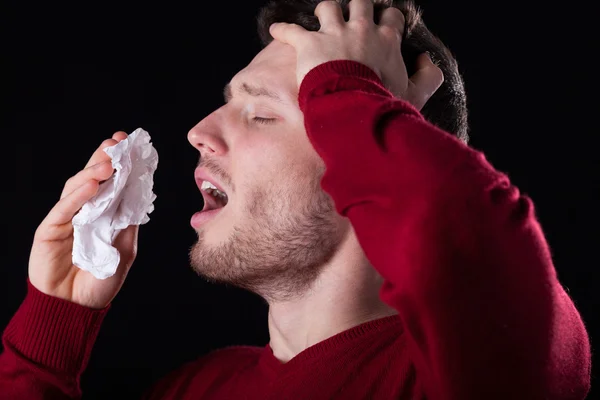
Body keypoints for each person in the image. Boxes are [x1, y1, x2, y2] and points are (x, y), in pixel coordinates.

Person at [0, 0, 592, 399]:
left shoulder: (482, 364)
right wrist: (53, 330)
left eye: (261, 113)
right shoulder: (199, 387)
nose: (198, 130)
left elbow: (469, 225)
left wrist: (350, 88)